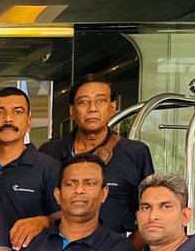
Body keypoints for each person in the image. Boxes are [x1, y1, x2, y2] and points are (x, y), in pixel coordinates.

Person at [40, 74, 155, 240]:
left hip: (116, 249)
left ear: (113, 107)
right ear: (72, 111)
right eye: (83, 102)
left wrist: (125, 250)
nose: (92, 108)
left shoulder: (135, 153)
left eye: (100, 101)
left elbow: (150, 213)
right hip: (58, 250)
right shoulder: (50, 152)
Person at [0, 87, 61, 251]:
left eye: (17, 112)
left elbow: (67, 217)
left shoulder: (49, 167)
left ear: (29, 123)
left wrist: (44, 221)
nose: (8, 119)